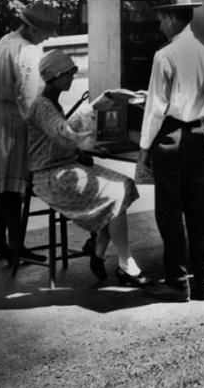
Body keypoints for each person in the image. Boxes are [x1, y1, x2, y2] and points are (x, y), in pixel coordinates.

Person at [26, 50, 150, 286]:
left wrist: (80, 152)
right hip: (51, 177)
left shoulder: (51, 103)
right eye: (68, 75)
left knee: (123, 185)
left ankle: (99, 252)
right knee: (114, 193)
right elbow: (64, 134)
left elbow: (58, 141)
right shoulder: (42, 106)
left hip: (64, 167)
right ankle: (126, 264)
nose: (72, 79)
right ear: (55, 76)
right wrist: (94, 111)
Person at [137, 0, 204, 302]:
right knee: (199, 210)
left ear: (171, 18)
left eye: (161, 18)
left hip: (170, 137)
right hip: (197, 134)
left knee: (169, 212)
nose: (159, 25)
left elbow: (155, 109)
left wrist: (144, 149)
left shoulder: (164, 56)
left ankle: (177, 281)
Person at [0, 0, 60, 264]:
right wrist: (39, 124)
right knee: (14, 185)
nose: (47, 37)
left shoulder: (6, 40)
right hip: (12, 120)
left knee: (5, 183)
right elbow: (26, 96)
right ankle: (15, 243)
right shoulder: (27, 51)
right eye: (46, 32)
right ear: (35, 29)